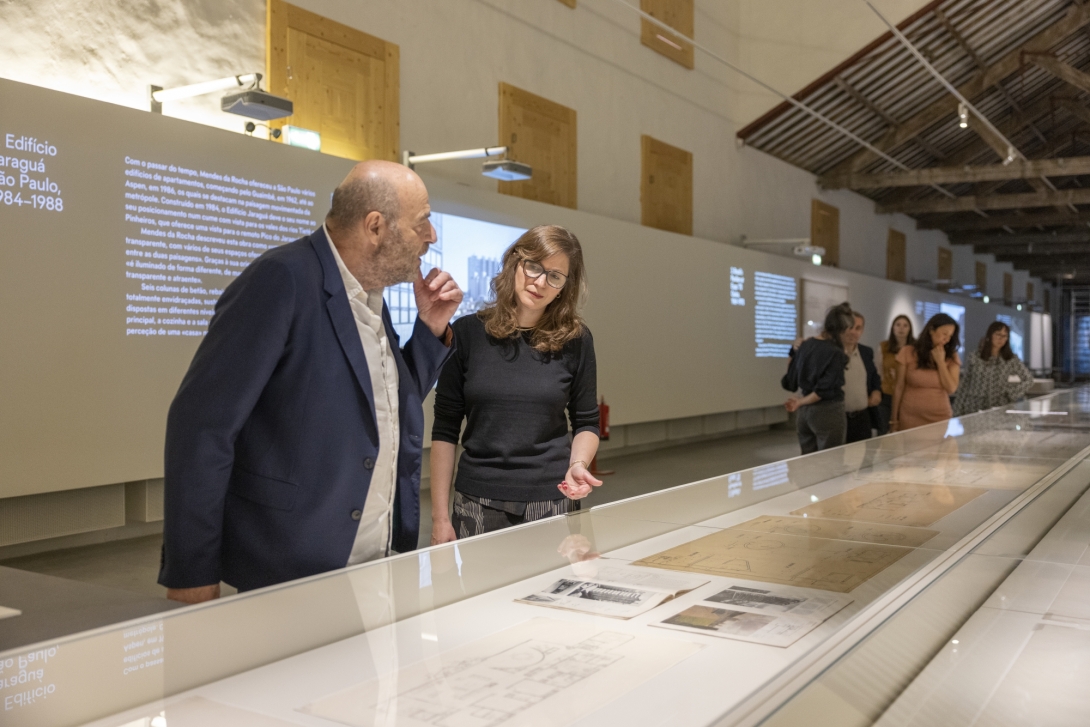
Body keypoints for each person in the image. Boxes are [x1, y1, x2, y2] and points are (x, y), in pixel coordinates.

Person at [158, 160, 463, 603]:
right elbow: (201, 427)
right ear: (375, 226)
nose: (431, 237)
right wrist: (191, 572)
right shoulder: (282, 279)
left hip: (375, 563)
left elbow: (385, 404)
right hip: (292, 566)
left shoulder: (370, 295)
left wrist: (430, 331)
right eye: (423, 223)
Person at [430, 225, 601, 542]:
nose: (540, 283)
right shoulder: (467, 333)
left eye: (555, 276)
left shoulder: (576, 340)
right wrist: (440, 518)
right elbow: (445, 427)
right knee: (481, 592)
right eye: (534, 266)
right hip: (477, 501)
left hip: (552, 499)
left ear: (564, 287)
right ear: (515, 262)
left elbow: (587, 422)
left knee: (549, 590)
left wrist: (578, 464)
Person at [785, 302, 853, 454]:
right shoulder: (835, 352)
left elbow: (789, 381)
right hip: (828, 411)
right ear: (843, 330)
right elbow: (823, 390)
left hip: (804, 415)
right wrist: (801, 401)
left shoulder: (805, 345)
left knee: (808, 459)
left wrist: (801, 402)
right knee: (831, 461)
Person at [891, 313, 961, 431]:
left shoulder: (951, 357)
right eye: (944, 334)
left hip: (939, 417)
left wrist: (940, 362)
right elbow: (899, 387)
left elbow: (951, 388)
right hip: (910, 416)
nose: (947, 339)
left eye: (950, 336)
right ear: (931, 330)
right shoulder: (908, 352)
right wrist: (894, 419)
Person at [954, 321, 1033, 416]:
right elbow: (965, 384)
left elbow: (1028, 379)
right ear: (990, 335)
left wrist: (1011, 393)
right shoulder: (975, 357)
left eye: (1005, 336)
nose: (1001, 339)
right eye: (998, 334)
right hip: (974, 406)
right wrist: (957, 411)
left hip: (999, 407)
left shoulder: (1010, 359)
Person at [842, 311, 883, 443]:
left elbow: (873, 376)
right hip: (838, 418)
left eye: (858, 328)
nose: (853, 332)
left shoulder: (866, 352)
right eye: (850, 327)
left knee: (864, 460)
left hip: (861, 418)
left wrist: (876, 391)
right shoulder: (831, 352)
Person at [877, 315, 915, 434]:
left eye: (905, 325)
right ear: (893, 327)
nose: (901, 328)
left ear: (909, 329)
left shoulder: (914, 349)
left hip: (907, 396)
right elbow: (879, 371)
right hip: (887, 394)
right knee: (884, 432)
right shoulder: (884, 347)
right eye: (898, 325)